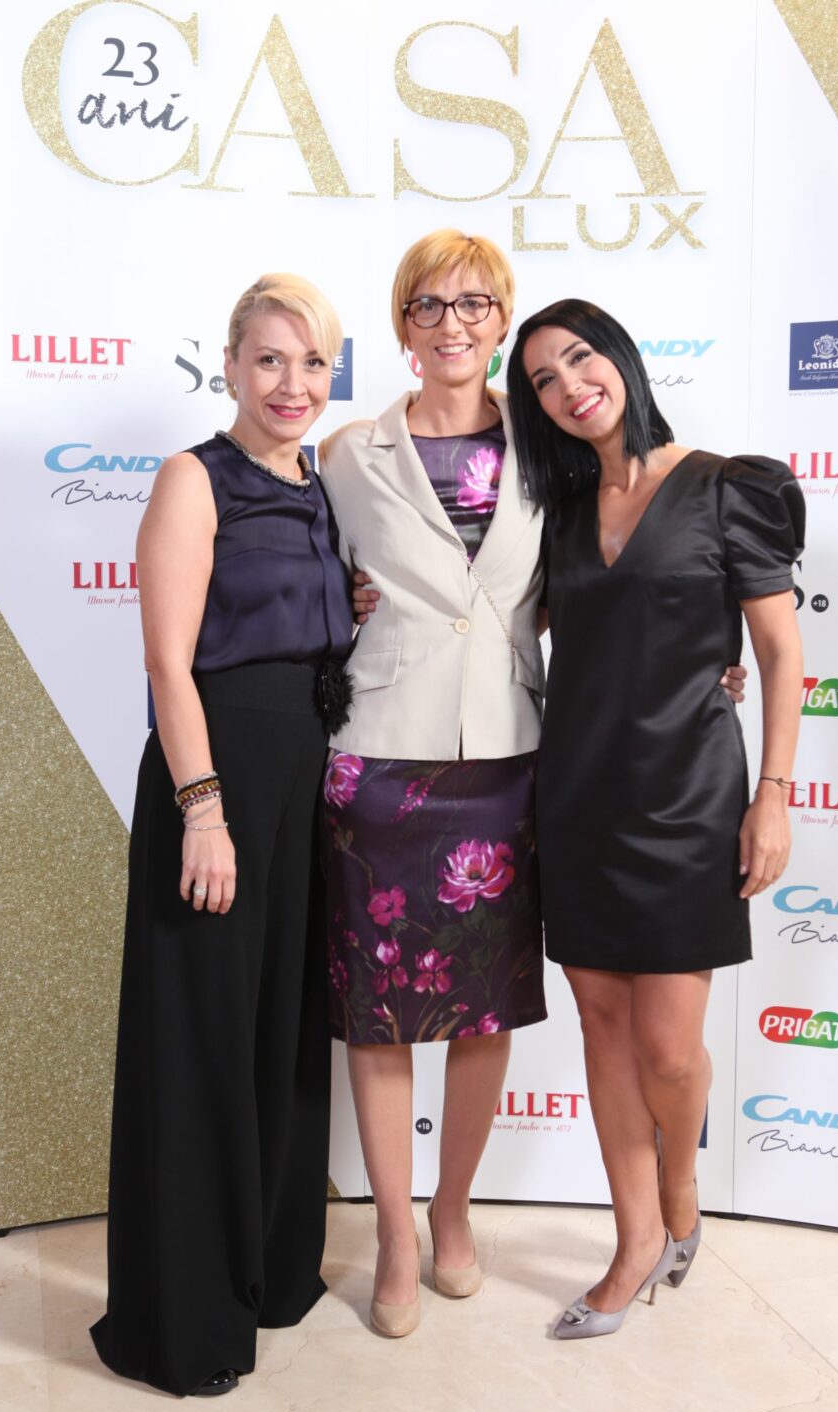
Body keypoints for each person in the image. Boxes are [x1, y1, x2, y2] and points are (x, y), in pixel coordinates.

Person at [506, 299, 804, 1339]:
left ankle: (681, 1189)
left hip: (689, 800)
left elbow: (779, 655)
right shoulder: (557, 511)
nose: (568, 386)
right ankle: (635, 1239)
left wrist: (773, 796)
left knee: (670, 1052)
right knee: (601, 1023)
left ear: (622, 359)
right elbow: (502, 618)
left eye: (580, 358)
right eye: (543, 380)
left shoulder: (726, 487)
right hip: (577, 795)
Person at [91, 275, 353, 1396]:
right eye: (270, 360)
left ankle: (270, 1275)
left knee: (285, 1029)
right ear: (232, 365)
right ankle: (183, 1322)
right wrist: (203, 808)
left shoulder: (321, 482)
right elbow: (169, 661)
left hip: (306, 779)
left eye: (312, 362)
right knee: (201, 1038)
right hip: (219, 777)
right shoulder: (193, 478)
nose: (292, 384)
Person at [317, 231, 548, 1338]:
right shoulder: (343, 453)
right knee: (379, 1015)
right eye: (428, 304)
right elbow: (300, 579)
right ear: (401, 323)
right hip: (379, 757)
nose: (451, 323)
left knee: (480, 1010)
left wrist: (711, 660)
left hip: (503, 757)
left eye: (473, 303)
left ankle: (454, 1211)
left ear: (502, 318)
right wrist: (346, 603)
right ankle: (396, 1237)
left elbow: (605, 573)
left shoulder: (552, 446)